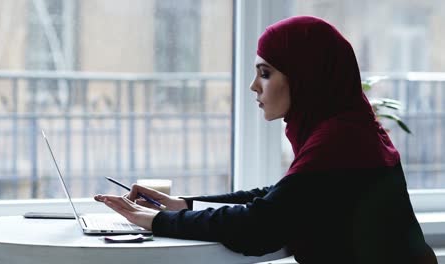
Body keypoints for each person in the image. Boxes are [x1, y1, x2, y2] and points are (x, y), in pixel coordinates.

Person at [95, 16, 437, 263]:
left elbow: (259, 228)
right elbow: (280, 198)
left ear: (305, 77)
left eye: (265, 73)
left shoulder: (342, 140)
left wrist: (152, 220)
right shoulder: (348, 130)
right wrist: (183, 204)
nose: (254, 86)